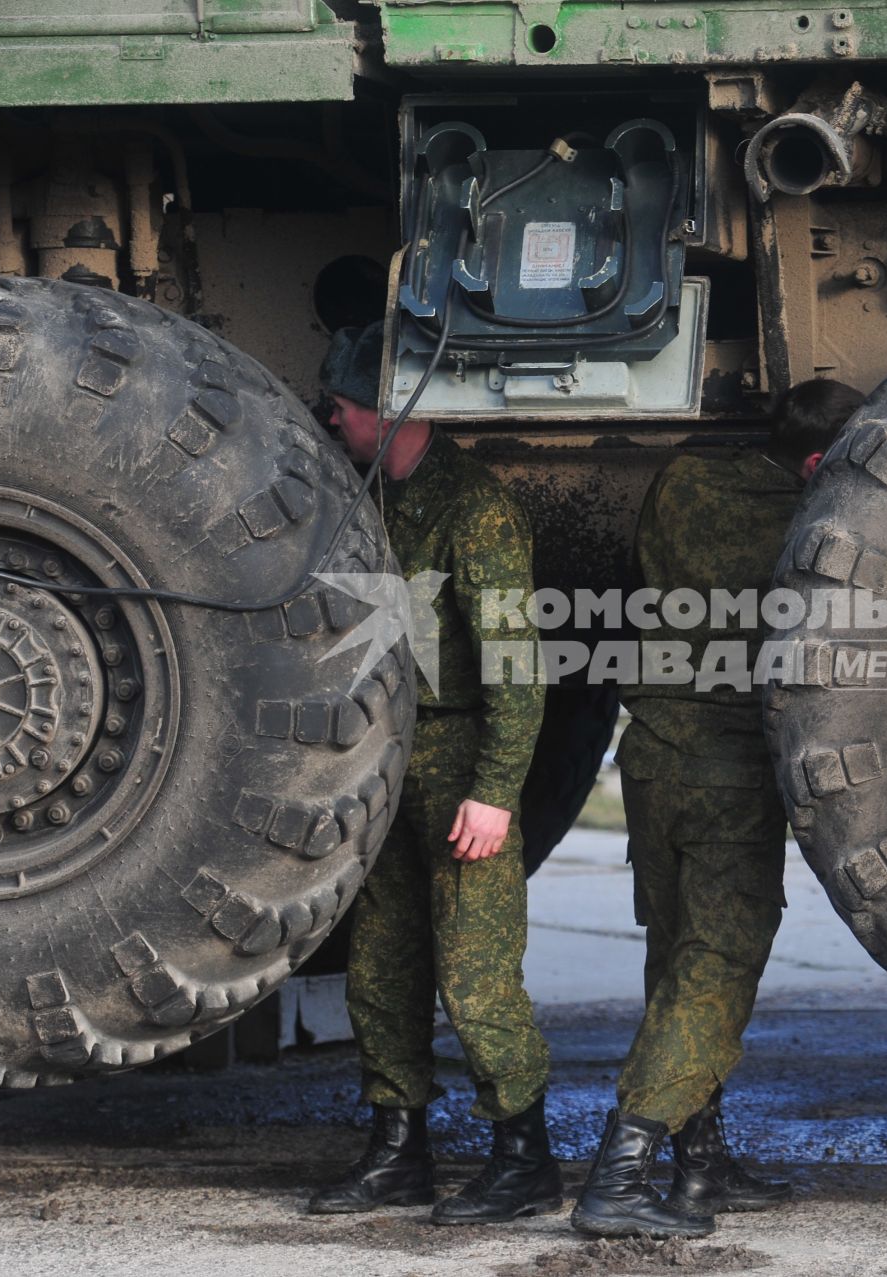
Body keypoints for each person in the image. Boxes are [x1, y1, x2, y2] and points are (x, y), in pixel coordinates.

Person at [570, 378, 866, 1239]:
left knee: (673, 961)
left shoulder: (686, 480)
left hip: (651, 752)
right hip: (727, 769)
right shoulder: (810, 526)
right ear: (819, 463)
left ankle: (699, 1163)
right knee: (716, 967)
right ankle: (620, 1170)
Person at [306, 323, 557, 1226]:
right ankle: (397, 1152)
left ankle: (523, 1156)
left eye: (340, 409)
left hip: (458, 764)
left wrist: (493, 792)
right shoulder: (373, 497)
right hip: (387, 762)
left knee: (476, 975)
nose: (331, 423)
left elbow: (517, 668)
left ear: (385, 411)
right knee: (380, 967)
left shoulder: (473, 507)